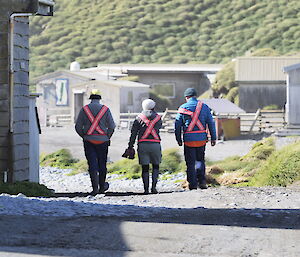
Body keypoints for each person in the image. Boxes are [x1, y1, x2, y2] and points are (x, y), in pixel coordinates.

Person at [75, 89, 115, 195]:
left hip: (89, 140)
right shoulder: (105, 109)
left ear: (90, 98)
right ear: (99, 98)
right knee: (102, 164)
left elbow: (78, 126)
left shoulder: (85, 109)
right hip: (103, 141)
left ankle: (95, 188)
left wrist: (84, 136)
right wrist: (107, 136)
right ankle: (102, 188)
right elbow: (112, 126)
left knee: (92, 164)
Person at [175, 88, 216, 190]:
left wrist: (178, 139)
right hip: (201, 139)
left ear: (186, 97)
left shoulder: (183, 108)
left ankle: (192, 184)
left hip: (188, 140)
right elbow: (211, 123)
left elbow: (177, 125)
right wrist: (213, 138)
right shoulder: (205, 107)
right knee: (199, 161)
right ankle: (201, 182)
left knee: (190, 163)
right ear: (195, 96)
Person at [126, 99, 162, 194]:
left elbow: (133, 133)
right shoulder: (158, 118)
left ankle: (146, 189)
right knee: (156, 166)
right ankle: (154, 188)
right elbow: (158, 127)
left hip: (142, 145)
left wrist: (130, 146)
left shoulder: (138, 118)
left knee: (145, 168)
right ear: (153, 107)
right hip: (155, 144)